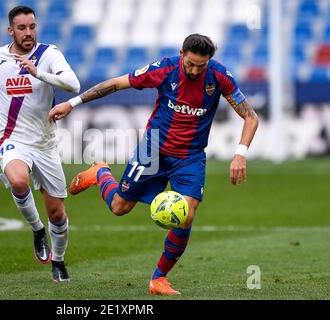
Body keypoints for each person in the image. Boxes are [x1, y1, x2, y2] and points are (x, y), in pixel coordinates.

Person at [48, 34, 259, 294]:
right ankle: (100, 172)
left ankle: (158, 278)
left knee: (187, 214)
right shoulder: (165, 69)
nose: (194, 70)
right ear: (182, 53)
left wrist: (240, 153)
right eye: (190, 64)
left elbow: (251, 117)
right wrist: (72, 102)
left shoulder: (219, 76)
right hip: (153, 148)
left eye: (200, 66)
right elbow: (116, 84)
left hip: (190, 156)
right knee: (119, 207)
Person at [0, 6, 80, 282]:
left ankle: (58, 260)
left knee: (57, 213)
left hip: (45, 143)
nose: (29, 32)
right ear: (11, 30)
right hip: (12, 139)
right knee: (19, 181)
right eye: (22, 28)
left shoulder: (49, 54)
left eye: (32, 26)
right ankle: (36, 230)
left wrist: (38, 73)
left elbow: (73, 85)